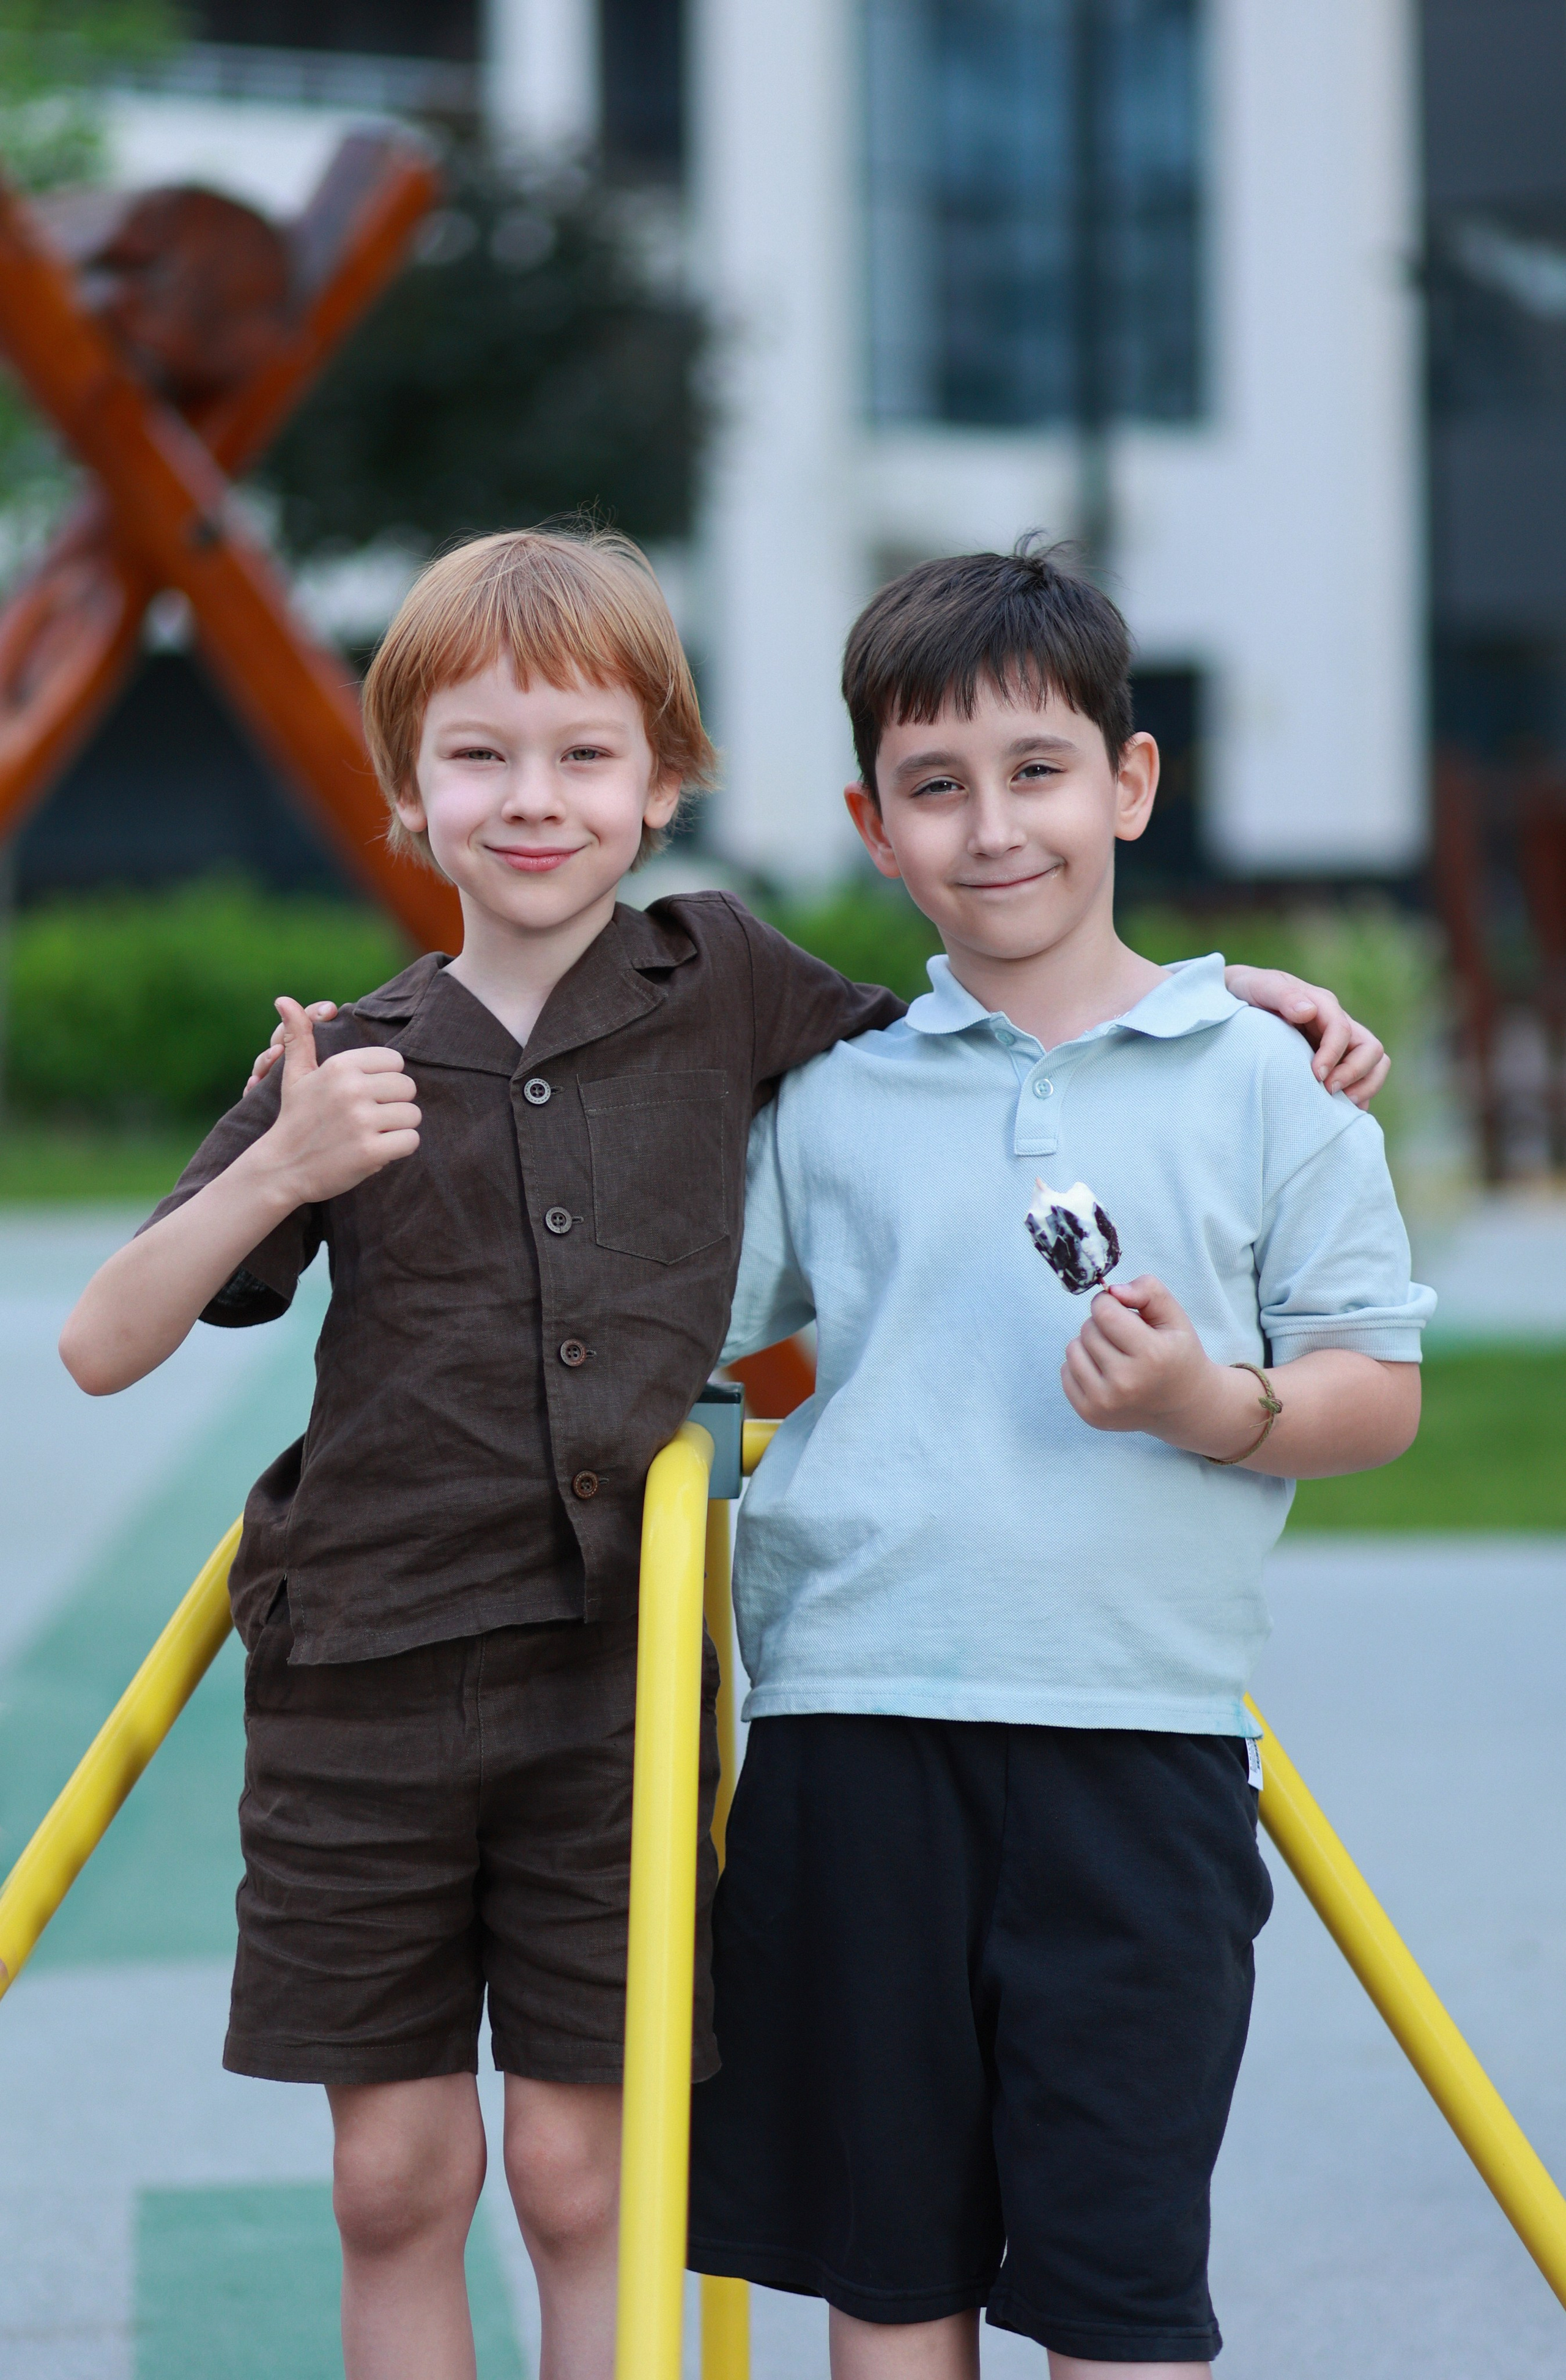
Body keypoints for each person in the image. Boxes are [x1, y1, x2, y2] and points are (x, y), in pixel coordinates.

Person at [60, 522, 1384, 2380]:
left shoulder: (728, 987)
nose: (536, 800)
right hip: (360, 1678)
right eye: (480, 757)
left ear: (664, 780)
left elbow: (998, 1005)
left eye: (587, 754)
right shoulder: (342, 1060)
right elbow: (98, 1342)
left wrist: (1216, 1001)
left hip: (614, 1680)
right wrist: (282, 1164)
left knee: (590, 2172)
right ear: (406, 798)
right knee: (394, 2172)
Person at [686, 539, 1432, 2379]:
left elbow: (1376, 1387)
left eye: (1037, 772)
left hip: (1140, 1749)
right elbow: (695, 1325)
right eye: (935, 787)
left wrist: (1212, 1406)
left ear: (1130, 781)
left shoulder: (1269, 1082)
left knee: (1118, 2283)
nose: (992, 827)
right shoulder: (836, 1093)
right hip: (854, 1737)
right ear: (873, 822)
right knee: (890, 2275)